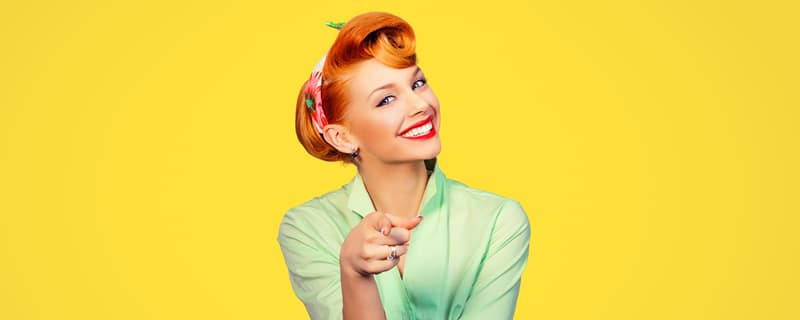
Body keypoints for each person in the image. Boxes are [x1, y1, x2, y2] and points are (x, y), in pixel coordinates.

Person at [278, 12, 531, 320]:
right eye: (386, 100)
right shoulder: (308, 228)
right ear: (342, 137)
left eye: (418, 83)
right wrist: (354, 273)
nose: (420, 105)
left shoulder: (498, 221)